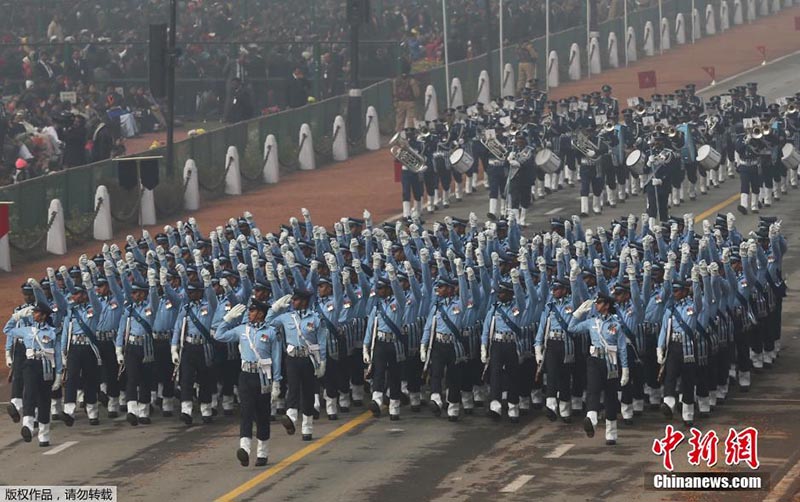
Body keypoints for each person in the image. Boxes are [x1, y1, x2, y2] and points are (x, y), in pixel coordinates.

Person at [215, 300, 283, 467]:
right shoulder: (242, 330)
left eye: (252, 311)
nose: (249, 314)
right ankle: (244, 449)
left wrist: (276, 382)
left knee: (262, 414)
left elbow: (276, 358)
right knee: (246, 412)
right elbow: (219, 335)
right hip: (246, 375)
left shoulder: (271, 333)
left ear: (260, 313)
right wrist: (227, 319)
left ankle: (262, 452)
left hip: (263, 376)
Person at [266, 289, 327, 441]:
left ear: (304, 302)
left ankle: (307, 427)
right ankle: (291, 418)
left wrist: (323, 361)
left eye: (296, 300)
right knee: (293, 387)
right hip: (292, 358)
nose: (293, 302)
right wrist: (274, 308)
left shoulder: (315, 318)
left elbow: (321, 341)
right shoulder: (286, 317)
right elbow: (267, 323)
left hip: (309, 358)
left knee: (308, 392)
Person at [568, 293, 628, 446]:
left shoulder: (616, 324)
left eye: (599, 302)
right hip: (594, 360)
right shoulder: (591, 322)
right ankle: (591, 418)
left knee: (610, 396)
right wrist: (578, 313)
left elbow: (622, 348)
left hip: (611, 362)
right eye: (596, 303)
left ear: (607, 305)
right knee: (593, 389)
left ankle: (611, 433)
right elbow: (572, 328)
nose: (597, 305)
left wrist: (625, 368)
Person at [5, 302, 60, 446]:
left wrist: (59, 375)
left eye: (36, 312)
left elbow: (58, 355)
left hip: (47, 367)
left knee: (44, 400)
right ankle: (27, 425)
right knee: (29, 394)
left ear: (43, 315)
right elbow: (8, 330)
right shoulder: (27, 330)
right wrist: (16, 316)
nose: (33, 314)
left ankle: (44, 434)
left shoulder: (52, 332)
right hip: (30, 364)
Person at [393, 61, 420, 132]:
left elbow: (395, 92)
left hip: (400, 102)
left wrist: (395, 101)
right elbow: (416, 93)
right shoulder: (412, 80)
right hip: (410, 102)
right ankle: (410, 135)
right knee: (410, 120)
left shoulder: (396, 80)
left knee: (399, 120)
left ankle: (398, 136)